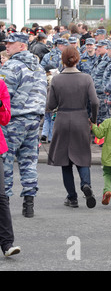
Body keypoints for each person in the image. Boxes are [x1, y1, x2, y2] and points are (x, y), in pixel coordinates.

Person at [46, 45, 99, 208]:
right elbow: (95, 101)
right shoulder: (86, 78)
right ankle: (86, 184)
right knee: (82, 156)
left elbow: (50, 104)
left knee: (65, 161)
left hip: (62, 119)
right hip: (80, 118)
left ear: (63, 60)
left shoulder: (57, 79)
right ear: (77, 59)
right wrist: (94, 120)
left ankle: (72, 197)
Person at [1, 32, 47, 218]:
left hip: (14, 121)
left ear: (22, 46)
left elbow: (4, 94)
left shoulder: (12, 66)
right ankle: (29, 204)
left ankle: (4, 205)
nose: (7, 46)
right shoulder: (39, 67)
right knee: (29, 162)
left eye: (11, 44)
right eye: (6, 43)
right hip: (34, 120)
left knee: (6, 162)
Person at [0, 77, 21, 256]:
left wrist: (0, 104)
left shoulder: (0, 84)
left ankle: (7, 244)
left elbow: (6, 119)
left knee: (1, 196)